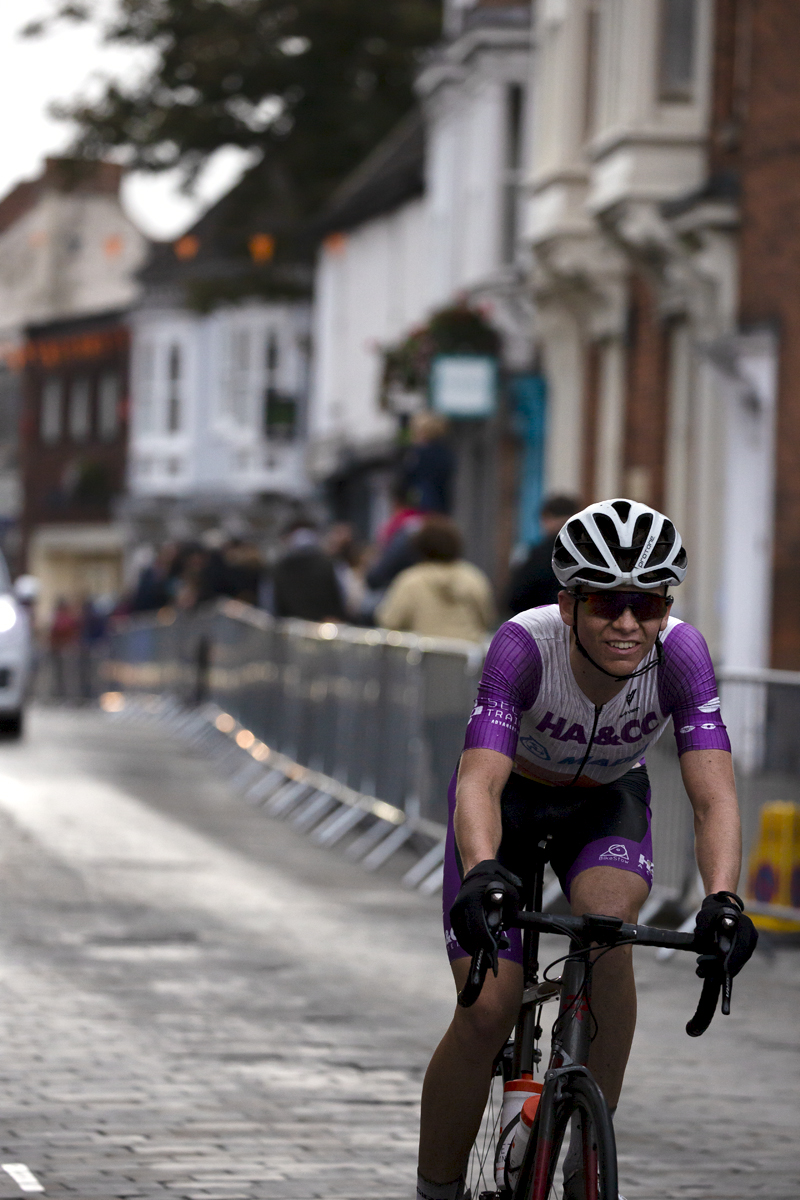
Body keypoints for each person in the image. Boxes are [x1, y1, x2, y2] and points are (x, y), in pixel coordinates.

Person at [416, 498, 758, 1200]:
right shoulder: (524, 644)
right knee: (487, 1011)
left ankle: (582, 1160)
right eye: (607, 604)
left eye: (649, 603)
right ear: (569, 606)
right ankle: (436, 1189)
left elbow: (714, 795)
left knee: (606, 931)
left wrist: (724, 898)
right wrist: (483, 870)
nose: (629, 623)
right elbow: (478, 782)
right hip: (508, 803)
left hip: (604, 799)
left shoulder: (682, 655)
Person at [376, 517, 494, 643]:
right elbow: (487, 619)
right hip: (467, 656)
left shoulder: (411, 580)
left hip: (424, 657)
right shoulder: (473, 577)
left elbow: (389, 621)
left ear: (421, 546)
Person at [506, 493, 581, 614]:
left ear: (548, 517)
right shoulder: (588, 552)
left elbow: (517, 598)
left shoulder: (539, 554)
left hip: (542, 622)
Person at [271, 519, 345, 622]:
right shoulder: (329, 563)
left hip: (291, 624)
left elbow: (272, 599)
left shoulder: (280, 566)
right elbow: (341, 594)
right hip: (324, 623)